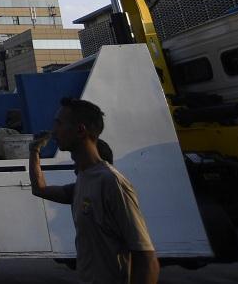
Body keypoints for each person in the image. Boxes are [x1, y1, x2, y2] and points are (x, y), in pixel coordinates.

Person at [29, 98, 159, 284]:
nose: (53, 131)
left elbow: (147, 260)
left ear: (80, 130)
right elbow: (39, 189)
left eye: (59, 124)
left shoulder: (111, 182)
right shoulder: (83, 180)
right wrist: (34, 151)